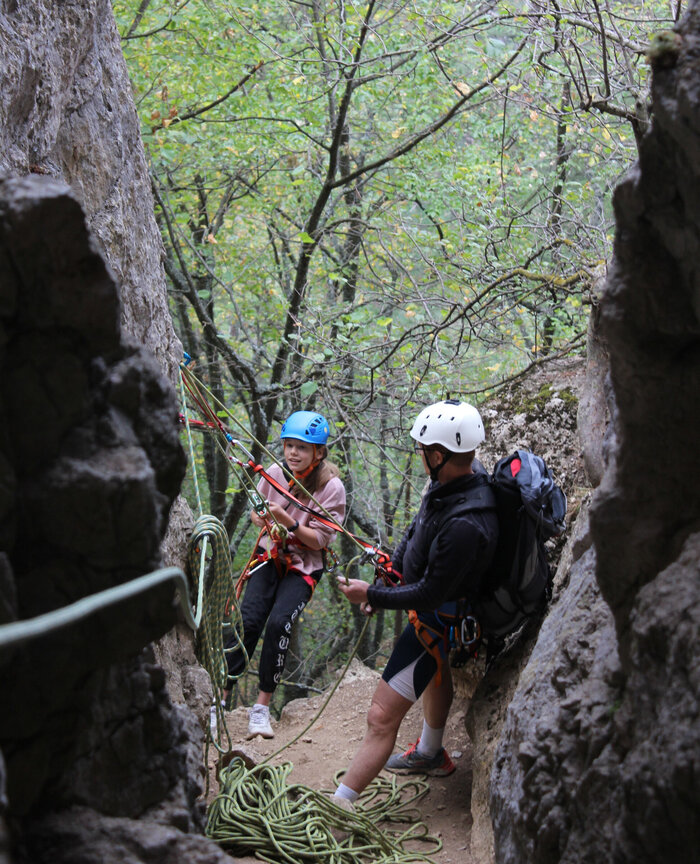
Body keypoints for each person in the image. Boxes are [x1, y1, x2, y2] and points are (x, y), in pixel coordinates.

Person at [333, 399, 498, 804]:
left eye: (423, 451)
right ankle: (430, 752)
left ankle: (336, 807)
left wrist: (372, 594)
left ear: (438, 456)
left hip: (439, 620)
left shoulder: (465, 523)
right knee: (435, 667)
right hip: (441, 617)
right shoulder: (455, 483)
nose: (420, 456)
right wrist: (390, 573)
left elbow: (430, 593)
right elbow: (416, 530)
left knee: (380, 717)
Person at [221, 410, 346, 739]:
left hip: (303, 567)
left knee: (278, 624)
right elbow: (253, 513)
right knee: (248, 621)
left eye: (302, 447)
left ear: (319, 453)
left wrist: (288, 522)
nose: (293, 452)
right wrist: (264, 520)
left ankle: (261, 708)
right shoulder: (274, 473)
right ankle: (220, 697)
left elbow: (320, 539)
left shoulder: (331, 488)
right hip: (270, 555)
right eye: (289, 445)